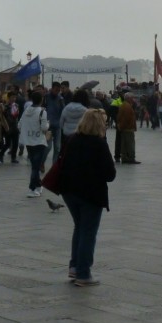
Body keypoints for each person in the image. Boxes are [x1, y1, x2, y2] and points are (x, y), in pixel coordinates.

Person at [59, 109, 116, 286]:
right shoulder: (99, 144)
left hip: (70, 191)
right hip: (90, 194)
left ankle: (74, 267)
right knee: (88, 232)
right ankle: (83, 274)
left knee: (79, 228)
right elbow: (110, 174)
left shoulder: (72, 139)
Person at [18, 91, 49, 197]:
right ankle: (33, 188)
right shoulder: (42, 112)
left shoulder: (26, 110)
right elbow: (44, 128)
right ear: (41, 100)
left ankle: (39, 186)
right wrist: (47, 123)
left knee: (34, 165)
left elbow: (20, 124)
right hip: (39, 141)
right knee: (35, 167)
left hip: (28, 141)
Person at [45, 82, 65, 164]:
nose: (57, 92)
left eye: (59, 90)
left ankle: (54, 166)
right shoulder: (46, 97)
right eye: (56, 90)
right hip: (48, 127)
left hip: (57, 126)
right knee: (48, 147)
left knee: (57, 147)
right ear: (52, 88)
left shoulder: (60, 99)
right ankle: (42, 162)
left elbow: (64, 111)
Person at [116, 93, 139, 164]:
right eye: (132, 98)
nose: (133, 99)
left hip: (125, 128)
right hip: (128, 128)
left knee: (124, 144)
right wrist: (122, 126)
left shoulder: (124, 105)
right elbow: (125, 118)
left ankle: (125, 157)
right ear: (128, 98)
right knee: (130, 144)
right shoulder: (127, 106)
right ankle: (131, 158)